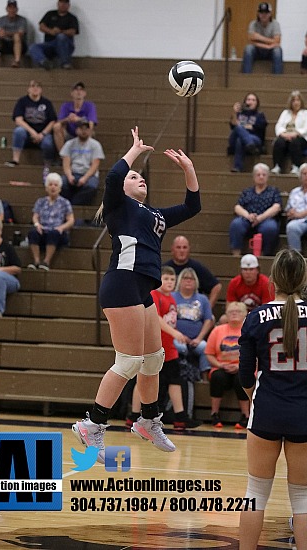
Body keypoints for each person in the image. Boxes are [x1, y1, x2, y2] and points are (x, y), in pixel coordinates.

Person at [71, 127, 201, 462]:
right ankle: (93, 424)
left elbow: (192, 207)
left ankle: (148, 420)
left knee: (154, 358)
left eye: (140, 176)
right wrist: (134, 151)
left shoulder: (154, 214)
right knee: (129, 361)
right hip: (121, 283)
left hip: (141, 288)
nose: (138, 177)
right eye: (134, 176)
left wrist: (189, 170)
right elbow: (113, 176)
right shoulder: (118, 205)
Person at [238, 249, 307, 550]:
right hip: (306, 415)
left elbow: (245, 376)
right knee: (304, 498)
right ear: (305, 278)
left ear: (272, 280)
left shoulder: (255, 316)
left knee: (255, 492)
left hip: (267, 411)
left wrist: (257, 397)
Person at [126, 266, 201, 431]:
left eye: (172, 279)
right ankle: (133, 415)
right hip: (151, 346)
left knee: (175, 381)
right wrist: (175, 333)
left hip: (168, 348)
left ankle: (180, 417)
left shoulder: (172, 299)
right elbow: (157, 319)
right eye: (166, 278)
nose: (169, 282)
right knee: (143, 380)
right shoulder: (154, 295)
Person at [205, 301, 249, 429]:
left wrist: (240, 366)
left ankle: (245, 415)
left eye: (238, 311)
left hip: (242, 367)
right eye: (231, 312)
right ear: (226, 314)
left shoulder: (248, 331)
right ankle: (214, 414)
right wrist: (220, 365)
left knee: (241, 378)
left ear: (244, 315)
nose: (234, 314)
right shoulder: (218, 330)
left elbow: (256, 355)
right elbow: (209, 353)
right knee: (217, 377)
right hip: (221, 366)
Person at [229, 163, 282, 256]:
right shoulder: (247, 191)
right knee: (236, 224)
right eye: (258, 175)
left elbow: (277, 207)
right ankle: (236, 255)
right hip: (248, 218)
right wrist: (248, 216)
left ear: (268, 177)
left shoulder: (274, 191)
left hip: (266, 219)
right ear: (254, 177)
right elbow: (237, 207)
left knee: (270, 228)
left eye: (264, 175)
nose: (261, 177)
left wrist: (261, 217)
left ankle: (263, 255)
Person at [172, 268, 213, 382]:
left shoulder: (202, 299)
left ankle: (204, 378)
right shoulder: (172, 297)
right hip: (176, 337)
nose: (188, 281)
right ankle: (180, 375)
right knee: (180, 347)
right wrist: (178, 335)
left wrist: (199, 338)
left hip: (197, 339)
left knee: (205, 347)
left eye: (191, 279)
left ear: (196, 282)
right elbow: (168, 320)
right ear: (180, 281)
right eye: (185, 278)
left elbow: (208, 320)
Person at [5, 80, 57, 170]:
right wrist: (32, 132)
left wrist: (42, 134)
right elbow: (18, 120)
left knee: (48, 142)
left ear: (41, 89)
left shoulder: (47, 103)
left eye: (38, 86)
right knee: (18, 131)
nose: (35, 88)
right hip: (27, 134)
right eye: (33, 86)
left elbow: (52, 121)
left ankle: (48, 165)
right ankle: (15, 160)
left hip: (42, 134)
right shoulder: (22, 101)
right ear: (28, 89)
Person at [27, 172, 74, 271]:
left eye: (55, 185)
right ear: (46, 188)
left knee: (54, 233)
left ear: (60, 188)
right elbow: (35, 216)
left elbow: (71, 220)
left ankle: (46, 262)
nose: (53, 187)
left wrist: (61, 227)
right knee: (33, 232)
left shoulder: (65, 203)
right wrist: (37, 224)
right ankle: (36, 261)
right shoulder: (40, 201)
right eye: (50, 184)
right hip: (43, 229)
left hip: (57, 231)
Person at [164, 235, 222, 309]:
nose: (182, 250)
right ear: (172, 249)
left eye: (185, 247)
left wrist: (208, 309)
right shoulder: (165, 269)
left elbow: (217, 287)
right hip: (169, 308)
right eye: (178, 247)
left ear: (189, 249)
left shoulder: (197, 267)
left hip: (194, 309)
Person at [270, 90, 307, 176]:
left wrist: (296, 133)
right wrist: (283, 134)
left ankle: (296, 166)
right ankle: (277, 166)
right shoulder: (285, 113)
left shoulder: (306, 113)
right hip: (286, 136)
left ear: (301, 101)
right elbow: (278, 126)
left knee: (295, 142)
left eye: (298, 100)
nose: (296, 103)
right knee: (279, 142)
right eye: (293, 100)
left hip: (302, 138)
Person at [60, 119, 105, 206]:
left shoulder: (95, 145)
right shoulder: (69, 144)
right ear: (77, 130)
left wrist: (85, 178)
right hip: (73, 173)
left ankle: (72, 205)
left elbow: (95, 165)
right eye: (81, 128)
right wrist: (69, 176)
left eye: (86, 129)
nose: (84, 131)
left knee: (91, 186)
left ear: (89, 130)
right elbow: (66, 163)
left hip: (89, 175)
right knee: (61, 183)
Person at [28, 0, 79, 70]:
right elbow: (41, 26)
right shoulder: (50, 14)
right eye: (61, 2)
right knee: (33, 47)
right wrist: (50, 31)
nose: (63, 5)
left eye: (65, 3)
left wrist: (60, 32)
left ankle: (65, 63)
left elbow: (73, 31)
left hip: (65, 45)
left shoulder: (72, 18)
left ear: (68, 5)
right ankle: (44, 62)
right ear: (58, 4)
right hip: (49, 44)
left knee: (61, 37)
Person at [285, 163, 307, 258]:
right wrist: (290, 212)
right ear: (300, 176)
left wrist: (300, 214)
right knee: (291, 227)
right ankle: (296, 257)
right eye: (304, 173)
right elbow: (288, 209)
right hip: (298, 221)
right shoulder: (294, 191)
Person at [228, 92, 268, 173]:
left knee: (240, 140)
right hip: (238, 139)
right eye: (248, 99)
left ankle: (237, 167)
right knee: (238, 128)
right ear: (245, 102)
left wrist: (244, 127)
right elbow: (233, 126)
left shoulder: (259, 115)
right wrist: (234, 113)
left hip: (254, 138)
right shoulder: (239, 113)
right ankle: (249, 144)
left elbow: (260, 127)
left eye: (253, 100)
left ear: (257, 103)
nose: (251, 102)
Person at [54, 82, 98, 152]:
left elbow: (91, 123)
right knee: (56, 126)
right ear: (72, 93)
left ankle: (85, 155)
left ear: (84, 93)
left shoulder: (90, 105)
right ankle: (63, 155)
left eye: (81, 90)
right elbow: (59, 121)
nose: (79, 92)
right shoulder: (65, 105)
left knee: (89, 128)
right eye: (76, 90)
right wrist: (68, 119)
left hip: (84, 132)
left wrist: (79, 119)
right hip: (69, 133)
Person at [242, 2, 283, 74]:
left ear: (270, 14)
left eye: (266, 13)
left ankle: (278, 79)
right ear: (258, 14)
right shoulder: (253, 24)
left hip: (270, 51)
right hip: (258, 50)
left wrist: (258, 37)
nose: (264, 15)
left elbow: (277, 41)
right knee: (248, 48)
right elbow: (250, 40)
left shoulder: (275, 24)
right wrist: (268, 45)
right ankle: (246, 76)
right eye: (261, 12)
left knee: (277, 51)